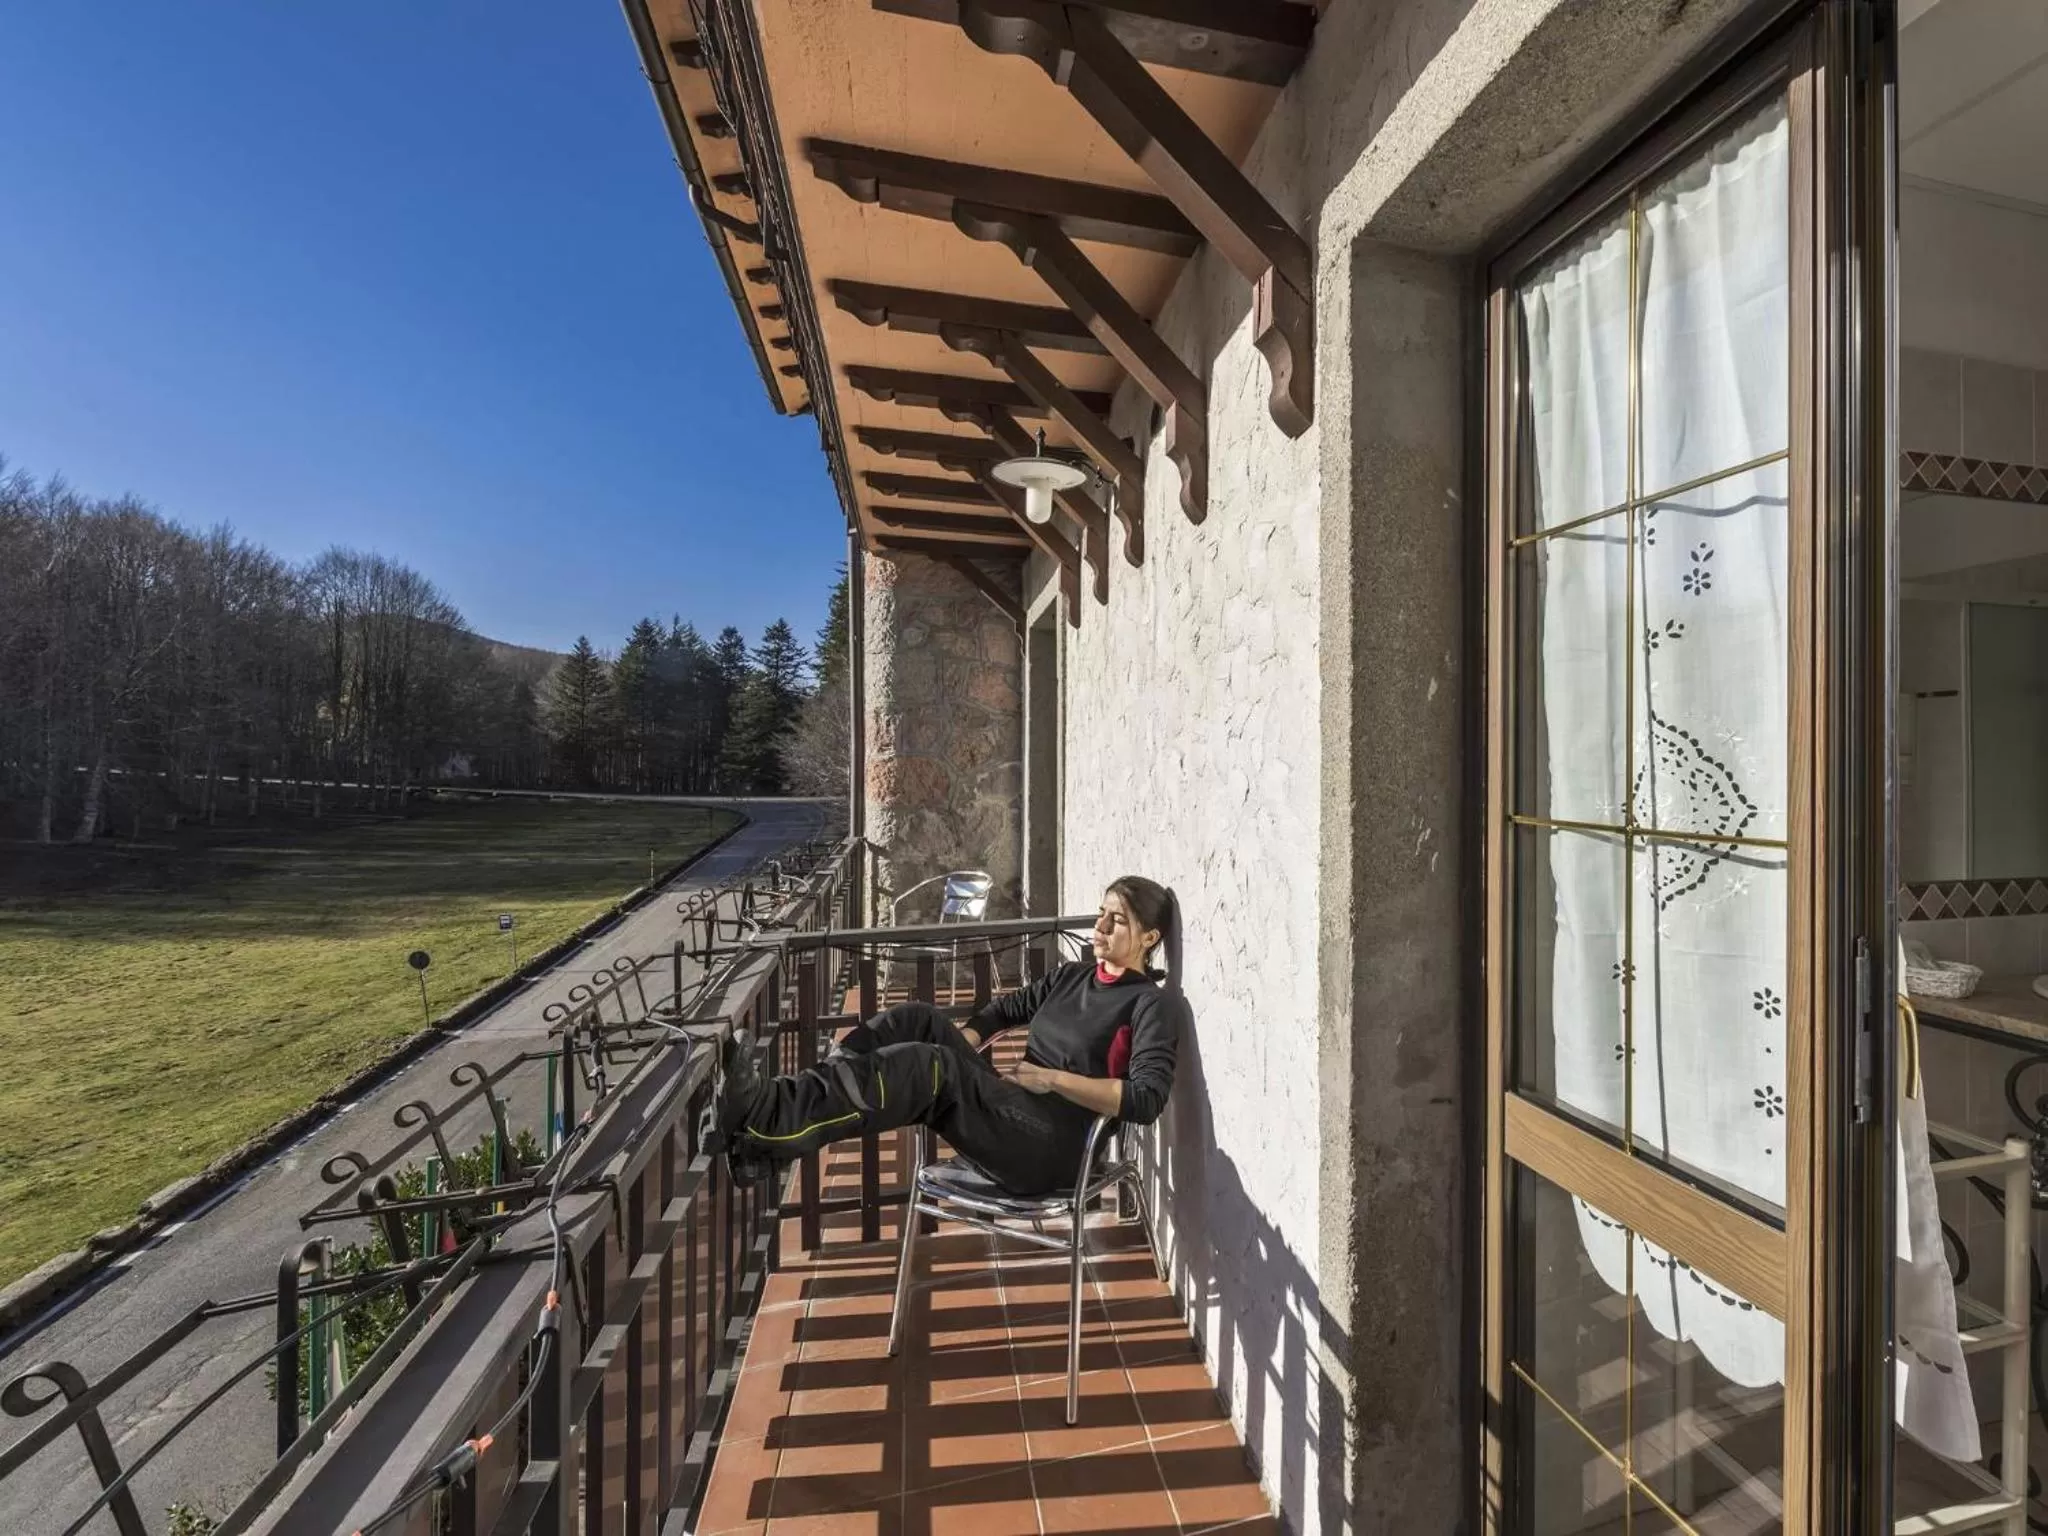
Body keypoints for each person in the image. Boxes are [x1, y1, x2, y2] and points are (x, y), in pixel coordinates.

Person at [708, 876, 1186, 1194]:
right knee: (916, 1020)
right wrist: (962, 1046)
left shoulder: (1150, 1004)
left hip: (1052, 1151)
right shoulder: (1072, 977)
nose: (1099, 926)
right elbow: (1004, 1010)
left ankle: (767, 1123)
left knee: (928, 1066)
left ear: (1149, 938)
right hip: (1012, 1111)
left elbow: (1146, 1100)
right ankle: (770, 1134)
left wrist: (1052, 1080)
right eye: (1101, 913)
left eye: (1117, 920)